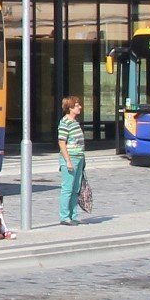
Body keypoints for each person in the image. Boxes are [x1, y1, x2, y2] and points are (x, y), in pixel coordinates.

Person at [56, 94, 89, 225]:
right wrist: (68, 161)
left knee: (76, 188)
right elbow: (61, 143)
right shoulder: (65, 122)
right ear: (70, 108)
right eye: (77, 105)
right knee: (67, 188)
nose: (79, 107)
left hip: (79, 158)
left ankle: (74, 215)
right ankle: (65, 216)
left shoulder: (75, 122)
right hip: (71, 159)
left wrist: (83, 159)